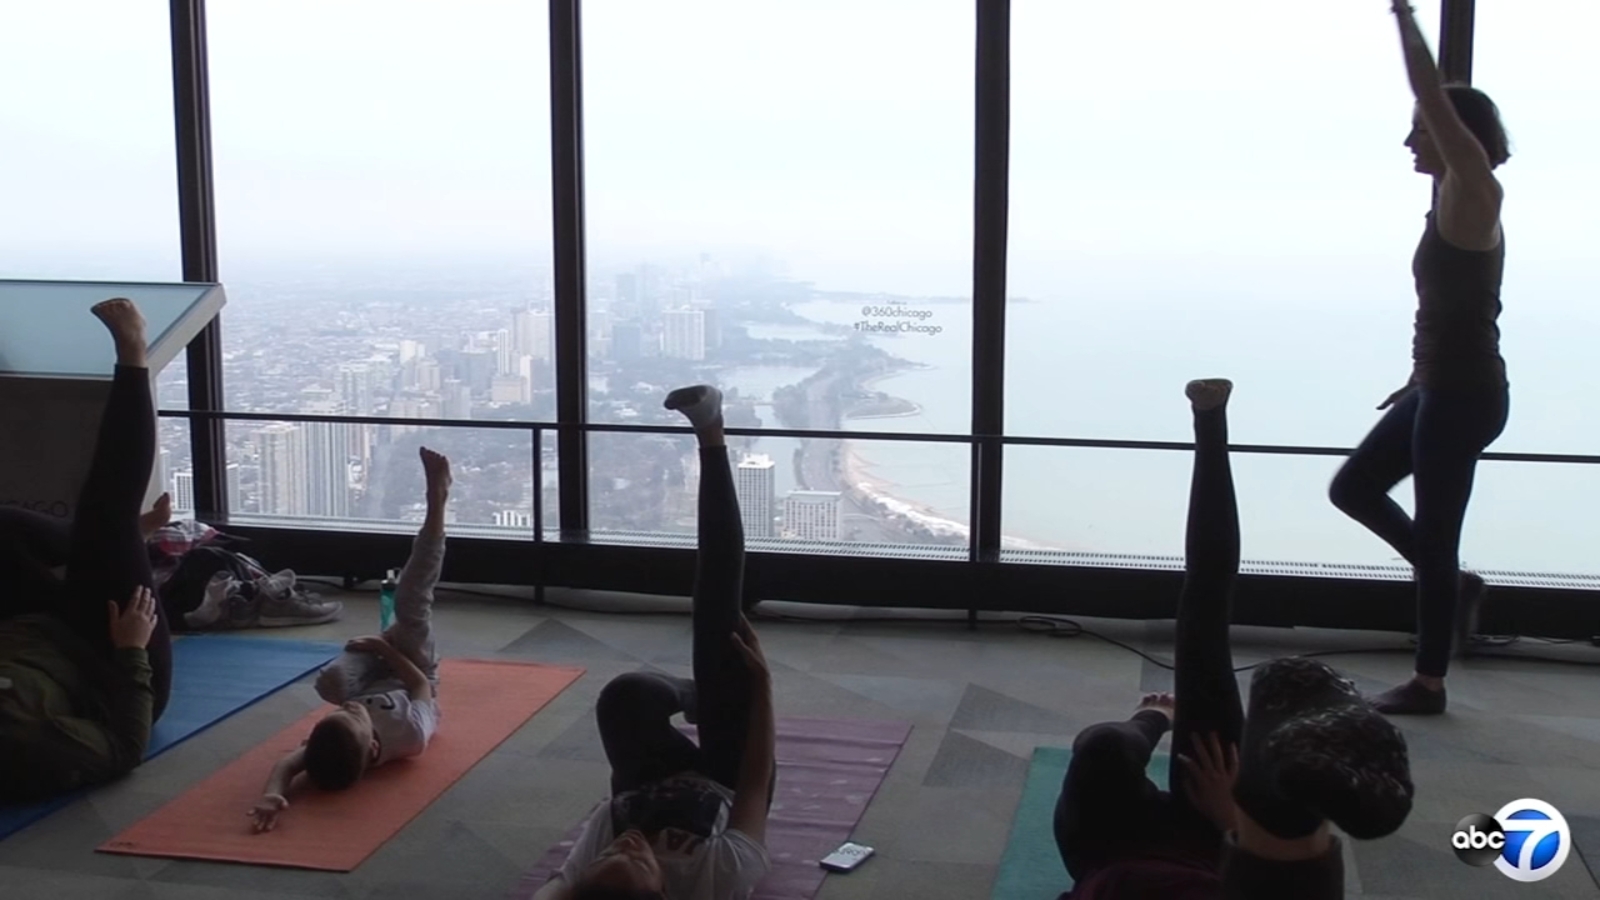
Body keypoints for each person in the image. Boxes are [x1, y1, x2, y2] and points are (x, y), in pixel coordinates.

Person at [1053, 379, 1416, 899]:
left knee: (1104, 746)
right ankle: (1292, 812)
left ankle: (1160, 718)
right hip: (1212, 848)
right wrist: (1231, 822)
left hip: (1108, 849)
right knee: (1204, 626)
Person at [1327, 1, 1515, 716]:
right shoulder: (1446, 199)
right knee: (1352, 488)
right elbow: (1453, 307)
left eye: (1419, 133)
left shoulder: (1476, 194)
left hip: (1464, 396)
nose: (1409, 141)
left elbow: (1433, 98)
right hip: (1439, 388)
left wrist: (1404, 16)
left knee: (1436, 536)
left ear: (1452, 139)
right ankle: (1455, 584)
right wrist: (1414, 380)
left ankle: (1428, 682)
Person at [535, 385, 775, 900]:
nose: (630, 845)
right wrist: (761, 687)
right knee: (718, 608)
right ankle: (712, 433)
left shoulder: (597, 869)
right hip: (732, 774)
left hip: (651, 775)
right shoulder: (720, 874)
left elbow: (556, 889)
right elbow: (755, 784)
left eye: (613, 852)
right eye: (638, 861)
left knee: (626, 695)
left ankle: (702, 693)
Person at [0, 298, 169, 802]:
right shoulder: (26, 745)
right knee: (108, 513)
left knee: (3, 527)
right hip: (108, 653)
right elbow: (123, 747)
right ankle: (132, 350)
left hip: (27, 625)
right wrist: (133, 650)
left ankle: (114, 543)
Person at [247, 446, 452, 832]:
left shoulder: (332, 745)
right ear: (374, 746)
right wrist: (382, 648)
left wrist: (272, 793)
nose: (349, 709)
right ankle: (437, 503)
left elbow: (287, 765)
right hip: (414, 669)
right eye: (353, 716)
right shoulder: (409, 735)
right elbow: (420, 684)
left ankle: (379, 644)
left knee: (331, 682)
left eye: (340, 712)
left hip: (373, 671)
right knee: (411, 598)